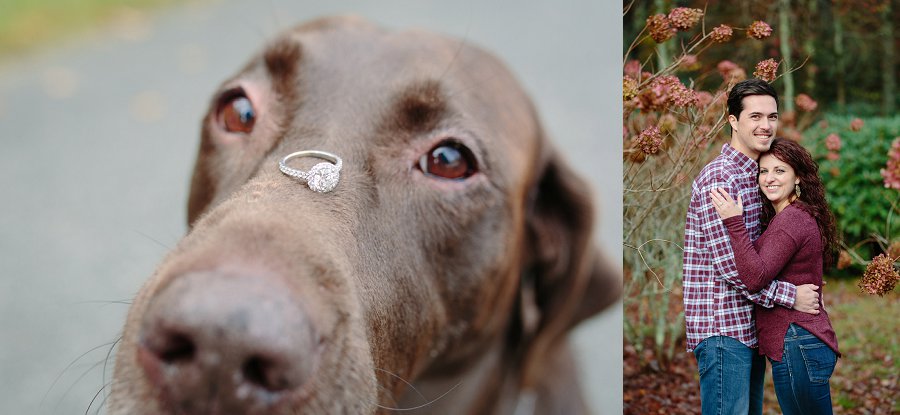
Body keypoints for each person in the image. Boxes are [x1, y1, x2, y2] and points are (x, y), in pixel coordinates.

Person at [682, 78, 820, 415]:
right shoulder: (721, 179)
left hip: (750, 325)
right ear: (733, 121)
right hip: (722, 328)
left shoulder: (759, 174)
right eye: (755, 116)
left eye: (772, 117)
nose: (766, 125)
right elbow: (732, 267)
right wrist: (792, 296)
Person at [710, 138, 840, 414]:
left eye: (779, 171)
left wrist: (734, 222)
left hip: (798, 344)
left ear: (798, 178)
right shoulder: (793, 216)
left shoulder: (791, 220)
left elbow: (754, 277)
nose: (769, 178)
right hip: (800, 342)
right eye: (764, 171)